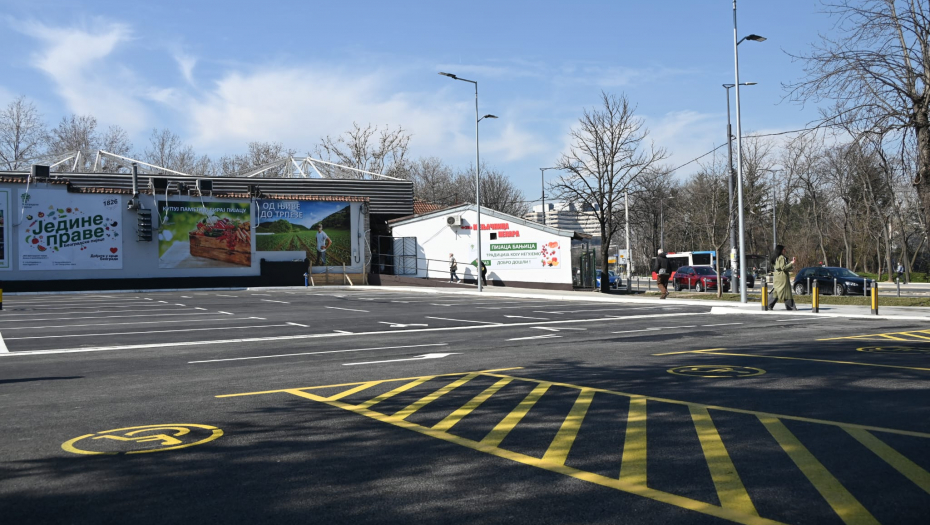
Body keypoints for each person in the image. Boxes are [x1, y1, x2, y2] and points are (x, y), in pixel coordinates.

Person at [768, 244, 797, 311]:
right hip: (783, 277)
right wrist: (792, 263)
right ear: (781, 250)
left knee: (776, 291)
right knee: (787, 292)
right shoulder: (781, 257)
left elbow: (778, 267)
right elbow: (783, 268)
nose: (785, 250)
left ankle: (769, 304)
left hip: (777, 276)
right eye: (784, 249)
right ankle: (790, 306)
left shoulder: (775, 257)